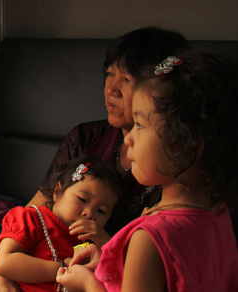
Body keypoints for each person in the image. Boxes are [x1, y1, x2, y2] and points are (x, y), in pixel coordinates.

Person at [0, 27, 190, 291]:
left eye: (127, 80)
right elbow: (35, 213)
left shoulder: (175, 170)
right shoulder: (85, 139)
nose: (111, 89)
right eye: (109, 75)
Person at [56, 49, 238, 291]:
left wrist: (89, 284)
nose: (129, 138)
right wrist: (111, 266)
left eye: (140, 125)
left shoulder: (149, 239)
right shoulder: (218, 213)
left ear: (183, 145)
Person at [0, 156, 123, 292]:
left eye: (101, 211)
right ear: (57, 192)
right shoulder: (32, 218)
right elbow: (4, 263)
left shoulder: (94, 250)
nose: (89, 213)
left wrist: (106, 244)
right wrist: (60, 267)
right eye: (82, 199)